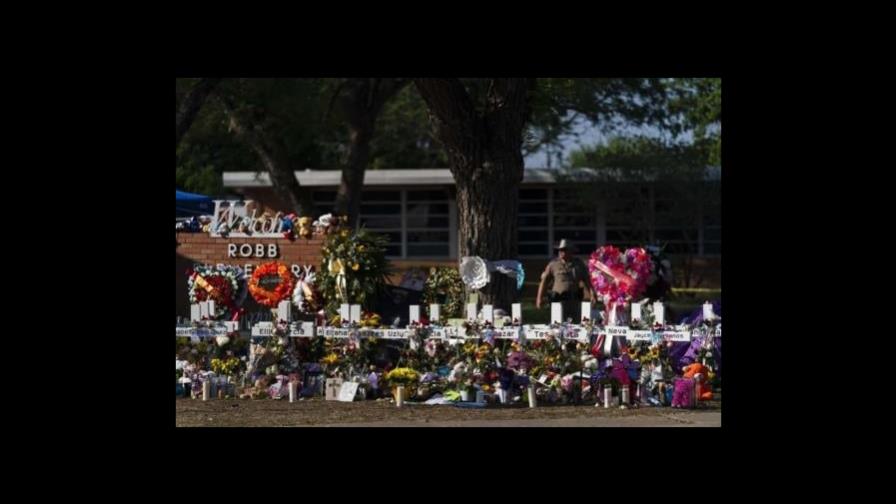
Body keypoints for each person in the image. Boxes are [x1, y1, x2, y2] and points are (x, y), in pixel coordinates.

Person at [536, 239, 594, 322]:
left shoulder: (578, 264)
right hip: (558, 301)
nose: (560, 252)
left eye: (563, 250)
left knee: (575, 325)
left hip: (574, 300)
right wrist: (539, 298)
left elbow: (587, 279)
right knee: (557, 326)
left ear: (571, 251)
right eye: (559, 250)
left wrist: (592, 294)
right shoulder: (553, 264)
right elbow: (544, 282)